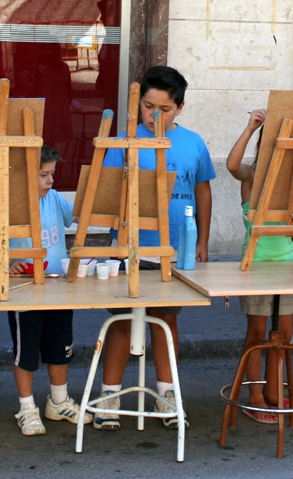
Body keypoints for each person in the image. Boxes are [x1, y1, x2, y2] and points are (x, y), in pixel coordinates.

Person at [92, 66, 215, 430]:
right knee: (120, 320)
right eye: (148, 106)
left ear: (180, 107)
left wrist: (203, 242)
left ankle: (167, 394)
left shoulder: (193, 142)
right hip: (130, 247)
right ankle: (109, 395)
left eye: (164, 108)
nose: (154, 115)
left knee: (165, 320)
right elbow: (107, 194)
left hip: (174, 248)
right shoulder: (125, 141)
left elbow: (203, 190)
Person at [8, 145, 94, 435]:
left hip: (58, 286)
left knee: (60, 346)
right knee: (26, 352)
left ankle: (58, 400)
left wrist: (99, 196)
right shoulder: (12, 204)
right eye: (43, 175)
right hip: (25, 288)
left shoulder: (55, 198)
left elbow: (79, 215)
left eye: (52, 174)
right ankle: (26, 406)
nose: (51, 180)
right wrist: (9, 262)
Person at [225, 109, 293, 424]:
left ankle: (273, 390)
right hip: (255, 265)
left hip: (286, 266)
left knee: (283, 334)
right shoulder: (253, 176)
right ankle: (254, 395)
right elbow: (232, 166)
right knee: (257, 333)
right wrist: (250, 128)